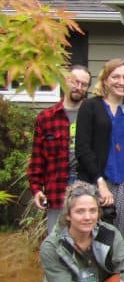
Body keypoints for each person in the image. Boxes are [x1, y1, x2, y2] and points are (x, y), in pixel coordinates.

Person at [74, 59, 124, 242]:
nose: (120, 81)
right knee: (93, 232)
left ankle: (117, 270)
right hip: (97, 179)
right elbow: (82, 148)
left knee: (122, 234)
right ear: (105, 79)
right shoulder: (90, 106)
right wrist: (100, 182)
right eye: (115, 77)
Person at [28, 65, 92, 235]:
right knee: (57, 242)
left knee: (85, 245)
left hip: (86, 187)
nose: (79, 87)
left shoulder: (94, 115)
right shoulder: (46, 118)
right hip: (57, 188)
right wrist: (36, 189)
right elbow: (37, 159)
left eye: (84, 84)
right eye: (75, 81)